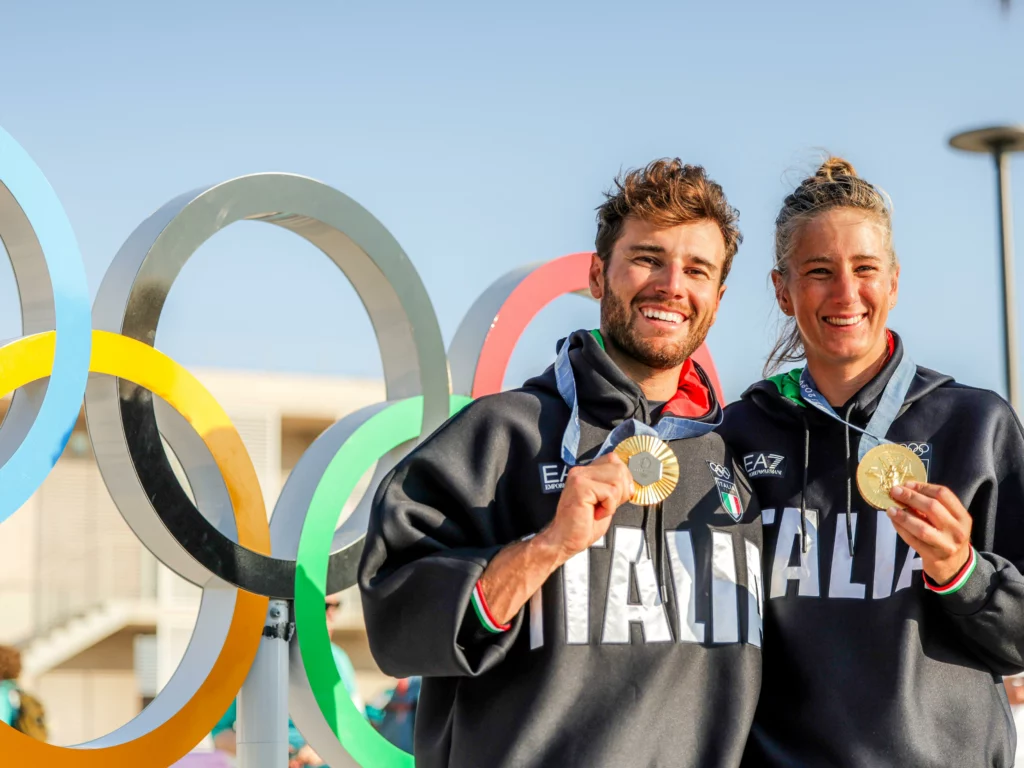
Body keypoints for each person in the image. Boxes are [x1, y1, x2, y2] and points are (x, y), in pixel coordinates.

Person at [359, 159, 763, 768]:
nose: (672, 285)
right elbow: (394, 621)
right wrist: (547, 546)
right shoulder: (501, 435)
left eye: (697, 270)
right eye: (648, 258)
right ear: (600, 274)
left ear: (718, 297)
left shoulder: (738, 458)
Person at [718, 157, 1024, 767]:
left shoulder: (974, 425)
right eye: (819, 272)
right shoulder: (738, 435)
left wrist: (962, 571)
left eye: (865, 270)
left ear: (893, 281)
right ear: (782, 289)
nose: (845, 294)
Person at [211, 596, 363, 767]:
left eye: (336, 608)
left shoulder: (338, 660)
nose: (331, 617)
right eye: (324, 607)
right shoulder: (251, 661)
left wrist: (322, 751)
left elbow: (356, 730)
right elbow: (219, 734)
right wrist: (268, 752)